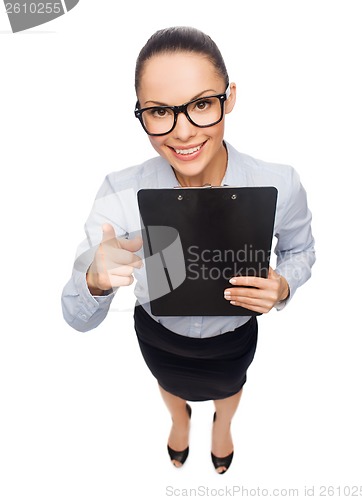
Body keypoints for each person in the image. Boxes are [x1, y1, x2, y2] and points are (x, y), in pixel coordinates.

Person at [61, 26, 315, 474]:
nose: (182, 133)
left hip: (232, 339)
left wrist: (284, 286)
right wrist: (94, 279)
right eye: (160, 111)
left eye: (201, 104)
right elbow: (77, 319)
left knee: (231, 386)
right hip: (158, 335)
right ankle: (179, 421)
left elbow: (300, 251)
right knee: (168, 383)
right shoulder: (120, 192)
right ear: (141, 113)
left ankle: (222, 426)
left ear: (229, 97)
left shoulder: (280, 182)